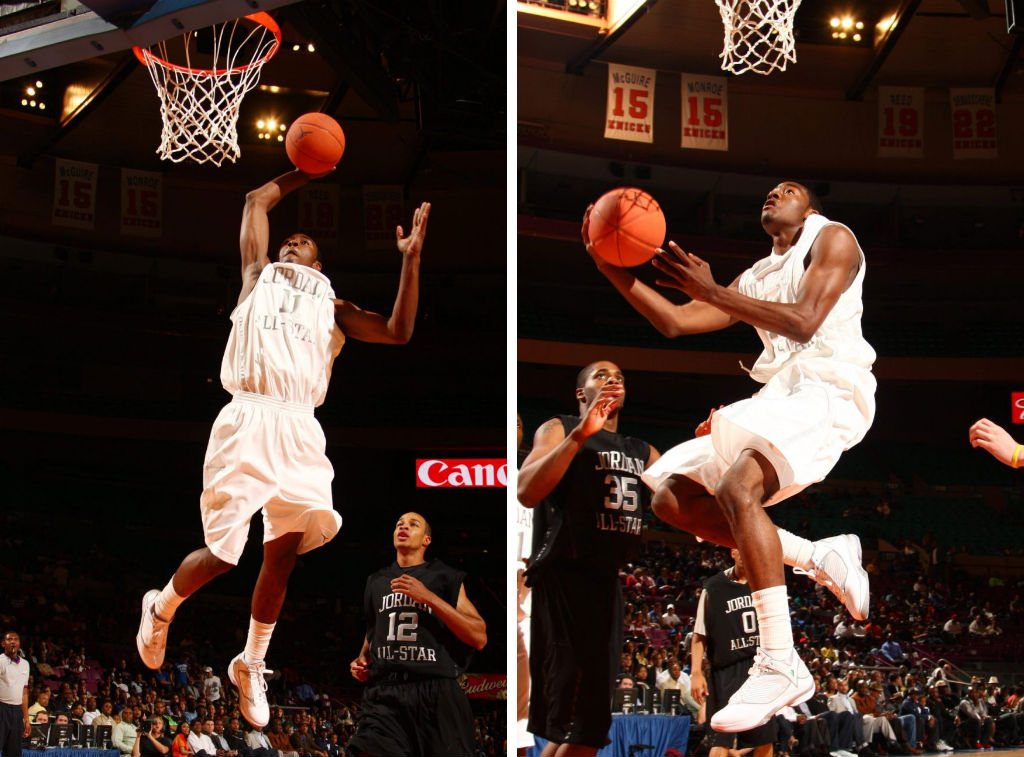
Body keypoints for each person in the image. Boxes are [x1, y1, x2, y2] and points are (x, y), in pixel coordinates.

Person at [135, 167, 430, 728]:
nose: (291, 245)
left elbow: (398, 331)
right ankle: (161, 606)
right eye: (288, 241)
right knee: (224, 556)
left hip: (300, 428)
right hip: (247, 415)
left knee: (281, 557)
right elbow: (256, 200)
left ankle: (251, 662)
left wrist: (410, 258)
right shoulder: (256, 277)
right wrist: (306, 170)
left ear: (319, 268)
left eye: (304, 245)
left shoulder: (332, 306)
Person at [582, 182, 875, 731]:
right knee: (671, 496)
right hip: (780, 394)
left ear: (807, 209)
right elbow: (674, 321)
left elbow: (806, 320)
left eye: (787, 190)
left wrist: (713, 290)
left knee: (738, 489)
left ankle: (781, 660)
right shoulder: (756, 276)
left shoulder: (832, 237)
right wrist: (609, 266)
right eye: (767, 190)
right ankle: (816, 555)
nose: (772, 193)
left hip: (830, 391)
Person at [517, 360, 659, 757]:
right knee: (583, 724)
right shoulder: (559, 428)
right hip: (564, 575)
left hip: (605, 581)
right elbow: (527, 491)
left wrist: (705, 454)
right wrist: (579, 436)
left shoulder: (642, 450)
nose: (614, 379)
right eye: (602, 375)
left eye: (621, 376)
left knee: (585, 726)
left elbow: (677, 499)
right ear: (582, 394)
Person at [347, 512, 486, 757]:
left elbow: (479, 636)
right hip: (386, 692)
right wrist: (362, 660)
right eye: (399, 524)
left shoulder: (444, 577)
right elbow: (374, 630)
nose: (404, 527)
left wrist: (429, 598)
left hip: (435, 692)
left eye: (413, 524)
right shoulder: (376, 581)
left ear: (426, 540)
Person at [692, 549, 777, 757]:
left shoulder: (765, 583)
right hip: (725, 670)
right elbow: (699, 635)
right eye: (741, 548)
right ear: (733, 552)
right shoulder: (712, 587)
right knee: (720, 739)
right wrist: (696, 672)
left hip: (759, 670)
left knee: (764, 739)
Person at [0, 631, 30, 757]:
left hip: (17, 712)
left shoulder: (25, 664)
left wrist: (26, 719)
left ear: (19, 643)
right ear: (3, 643)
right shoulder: (0, 661)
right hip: (2, 708)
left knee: (14, 753)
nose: (13, 641)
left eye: (16, 639)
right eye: (9, 639)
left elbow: (24, 693)